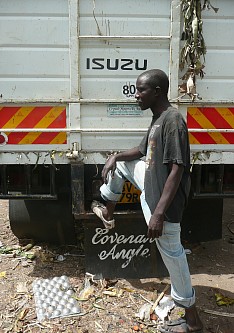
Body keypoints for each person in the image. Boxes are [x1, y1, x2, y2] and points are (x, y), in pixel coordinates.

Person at [91, 69, 203, 333]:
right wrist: (115, 156)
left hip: (163, 202)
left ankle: (193, 319)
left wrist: (159, 214)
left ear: (157, 92)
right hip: (150, 183)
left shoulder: (173, 120)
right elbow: (141, 152)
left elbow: (177, 169)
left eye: (141, 90)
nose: (136, 95)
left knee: (174, 259)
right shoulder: (157, 119)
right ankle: (108, 209)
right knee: (123, 164)